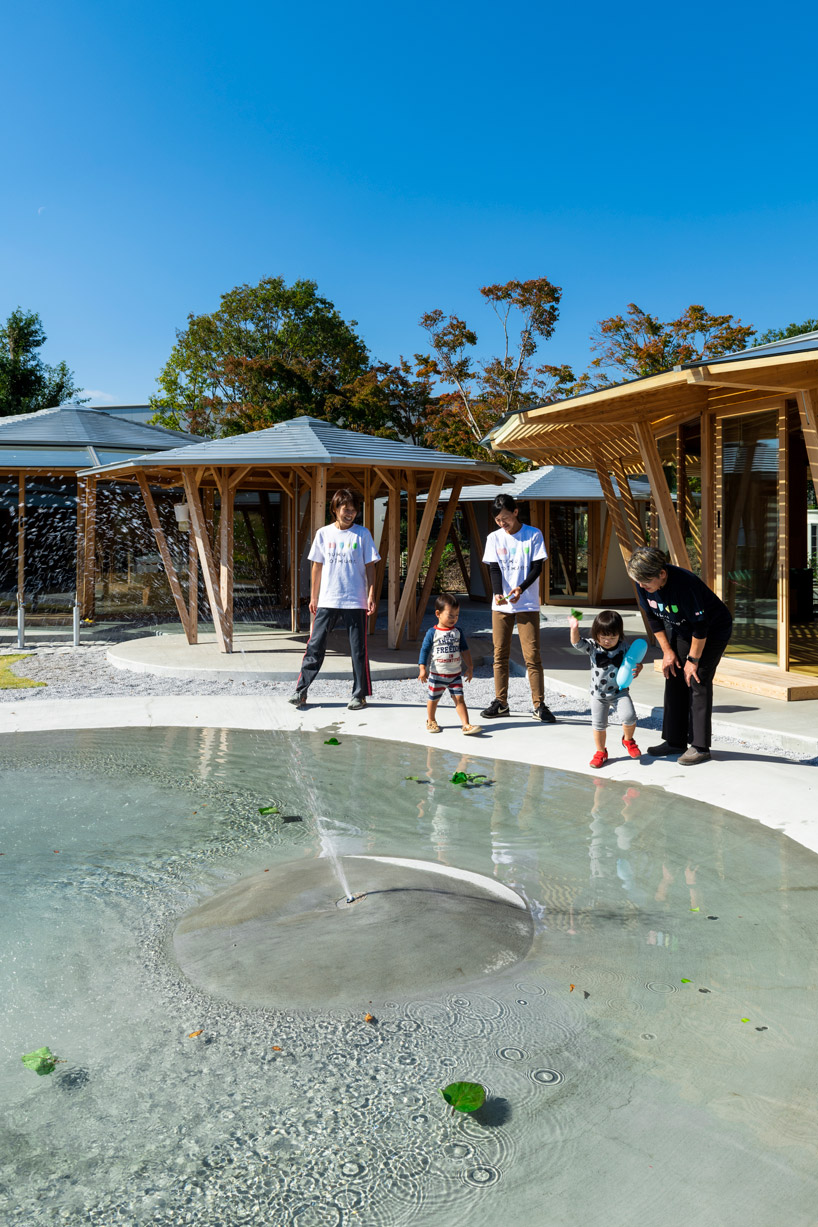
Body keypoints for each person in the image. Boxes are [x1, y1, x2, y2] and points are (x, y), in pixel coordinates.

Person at [626, 546, 733, 765]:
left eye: (645, 582)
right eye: (639, 582)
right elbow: (653, 618)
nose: (641, 586)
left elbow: (701, 628)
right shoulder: (643, 581)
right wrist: (667, 651)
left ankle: (700, 747)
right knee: (673, 673)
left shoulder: (685, 584)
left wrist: (693, 660)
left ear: (662, 574)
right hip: (683, 629)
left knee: (696, 679)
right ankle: (675, 741)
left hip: (712, 630)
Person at [289, 488, 380, 711]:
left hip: (355, 600)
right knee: (315, 645)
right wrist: (314, 596)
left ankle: (359, 695)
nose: (350, 514)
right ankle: (301, 691)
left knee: (358, 650)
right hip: (328, 599)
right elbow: (316, 566)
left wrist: (371, 594)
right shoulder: (323, 534)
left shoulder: (362, 534)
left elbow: (370, 567)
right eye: (345, 509)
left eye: (353, 510)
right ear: (335, 509)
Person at [480, 493, 556, 723]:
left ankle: (539, 705)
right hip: (501, 605)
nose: (502, 523)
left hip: (527, 603)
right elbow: (494, 568)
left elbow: (537, 568)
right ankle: (501, 703)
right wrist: (497, 593)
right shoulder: (494, 538)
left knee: (532, 655)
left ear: (515, 512)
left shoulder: (533, 534)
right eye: (497, 520)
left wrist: (521, 588)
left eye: (505, 518)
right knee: (499, 654)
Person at [569, 609, 643, 768]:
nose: (608, 641)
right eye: (603, 637)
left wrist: (639, 667)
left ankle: (628, 740)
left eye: (612, 637)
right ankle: (601, 752)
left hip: (619, 692)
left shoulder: (624, 647)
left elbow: (635, 661)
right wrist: (574, 628)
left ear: (620, 635)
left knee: (629, 716)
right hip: (598, 694)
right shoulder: (593, 646)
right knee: (599, 725)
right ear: (596, 634)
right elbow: (576, 643)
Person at [418, 592, 481, 735]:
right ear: (438, 614)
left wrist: (470, 667)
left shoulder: (458, 632)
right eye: (450, 615)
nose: (454, 618)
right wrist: (422, 668)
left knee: (459, 699)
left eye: (457, 615)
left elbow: (465, 650)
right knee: (433, 699)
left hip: (455, 675)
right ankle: (431, 720)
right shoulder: (432, 632)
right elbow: (424, 650)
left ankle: (466, 724)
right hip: (437, 675)